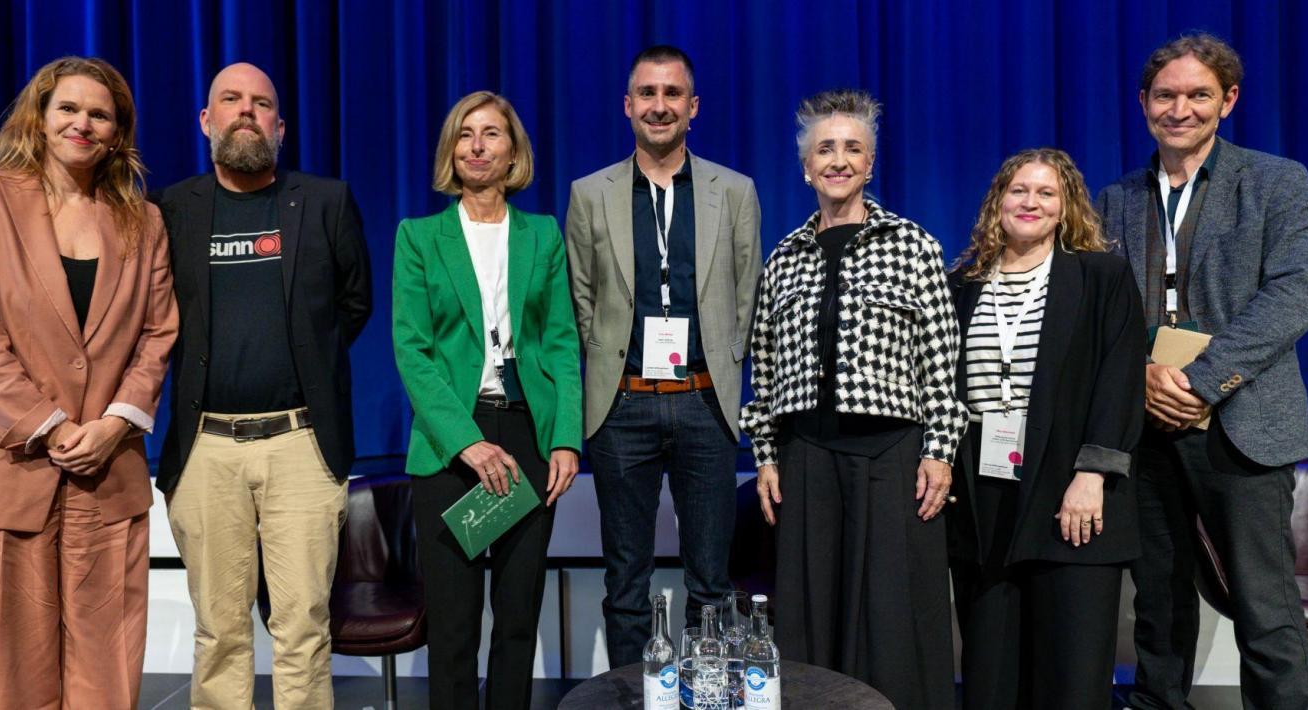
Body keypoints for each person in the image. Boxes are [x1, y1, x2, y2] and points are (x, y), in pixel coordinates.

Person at [0, 56, 176, 709]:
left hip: (107, 469)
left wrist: (116, 422)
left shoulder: (143, 222)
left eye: (100, 114)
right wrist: (51, 427)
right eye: (68, 108)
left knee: (106, 672)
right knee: (3, 675)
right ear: (39, 119)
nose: (83, 124)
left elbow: (158, 334)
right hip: (6, 467)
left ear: (117, 132)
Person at [1097, 33, 1308, 710]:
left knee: (1264, 603)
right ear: (1143, 103)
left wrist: (1200, 383)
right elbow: (1099, 311)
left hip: (1241, 419)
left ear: (1227, 101)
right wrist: (1138, 376)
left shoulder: (1277, 181)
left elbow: (1295, 296)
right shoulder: (1116, 199)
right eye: (1165, 95)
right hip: (1145, 425)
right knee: (1157, 601)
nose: (1180, 108)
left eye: (1198, 94)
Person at [152, 62, 372, 710]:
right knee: (219, 632)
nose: (246, 111)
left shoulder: (326, 200)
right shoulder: (169, 210)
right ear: (205, 120)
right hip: (206, 449)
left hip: (300, 445)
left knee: (302, 628)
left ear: (280, 126)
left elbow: (353, 305)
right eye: (231, 100)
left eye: (261, 103)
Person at [743, 88, 961, 708]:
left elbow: (942, 363)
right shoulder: (783, 258)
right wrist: (765, 453)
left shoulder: (913, 245)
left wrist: (940, 450)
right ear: (806, 166)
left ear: (870, 164)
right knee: (812, 612)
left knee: (892, 614)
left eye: (853, 149)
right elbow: (764, 367)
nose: (838, 160)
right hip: (806, 457)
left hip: (891, 456)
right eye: (825, 149)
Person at [564, 45, 762, 667]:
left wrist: (724, 371)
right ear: (628, 106)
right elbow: (582, 301)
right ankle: (628, 694)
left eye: (672, 94)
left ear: (693, 107)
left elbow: (746, 295)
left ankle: (707, 693)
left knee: (709, 582)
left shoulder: (734, 191)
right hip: (623, 410)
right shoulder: (588, 193)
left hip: (706, 405)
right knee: (626, 583)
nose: (659, 105)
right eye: (647, 94)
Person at [393, 90, 583, 710]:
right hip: (451, 445)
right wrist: (468, 443)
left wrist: (565, 440)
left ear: (513, 152)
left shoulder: (543, 234)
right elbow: (413, 352)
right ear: (453, 149)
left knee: (518, 619)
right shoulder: (418, 238)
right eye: (466, 133)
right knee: (453, 628)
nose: (478, 145)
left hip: (528, 432)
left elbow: (560, 344)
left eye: (492, 133)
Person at [947, 149, 1146, 709]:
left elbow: (1119, 379)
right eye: (1018, 191)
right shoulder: (961, 284)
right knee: (990, 673)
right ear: (997, 203)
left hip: (1070, 491)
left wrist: (1093, 473)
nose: (1030, 202)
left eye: (1046, 193)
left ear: (1065, 209)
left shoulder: (1101, 276)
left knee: (1070, 676)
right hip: (984, 495)